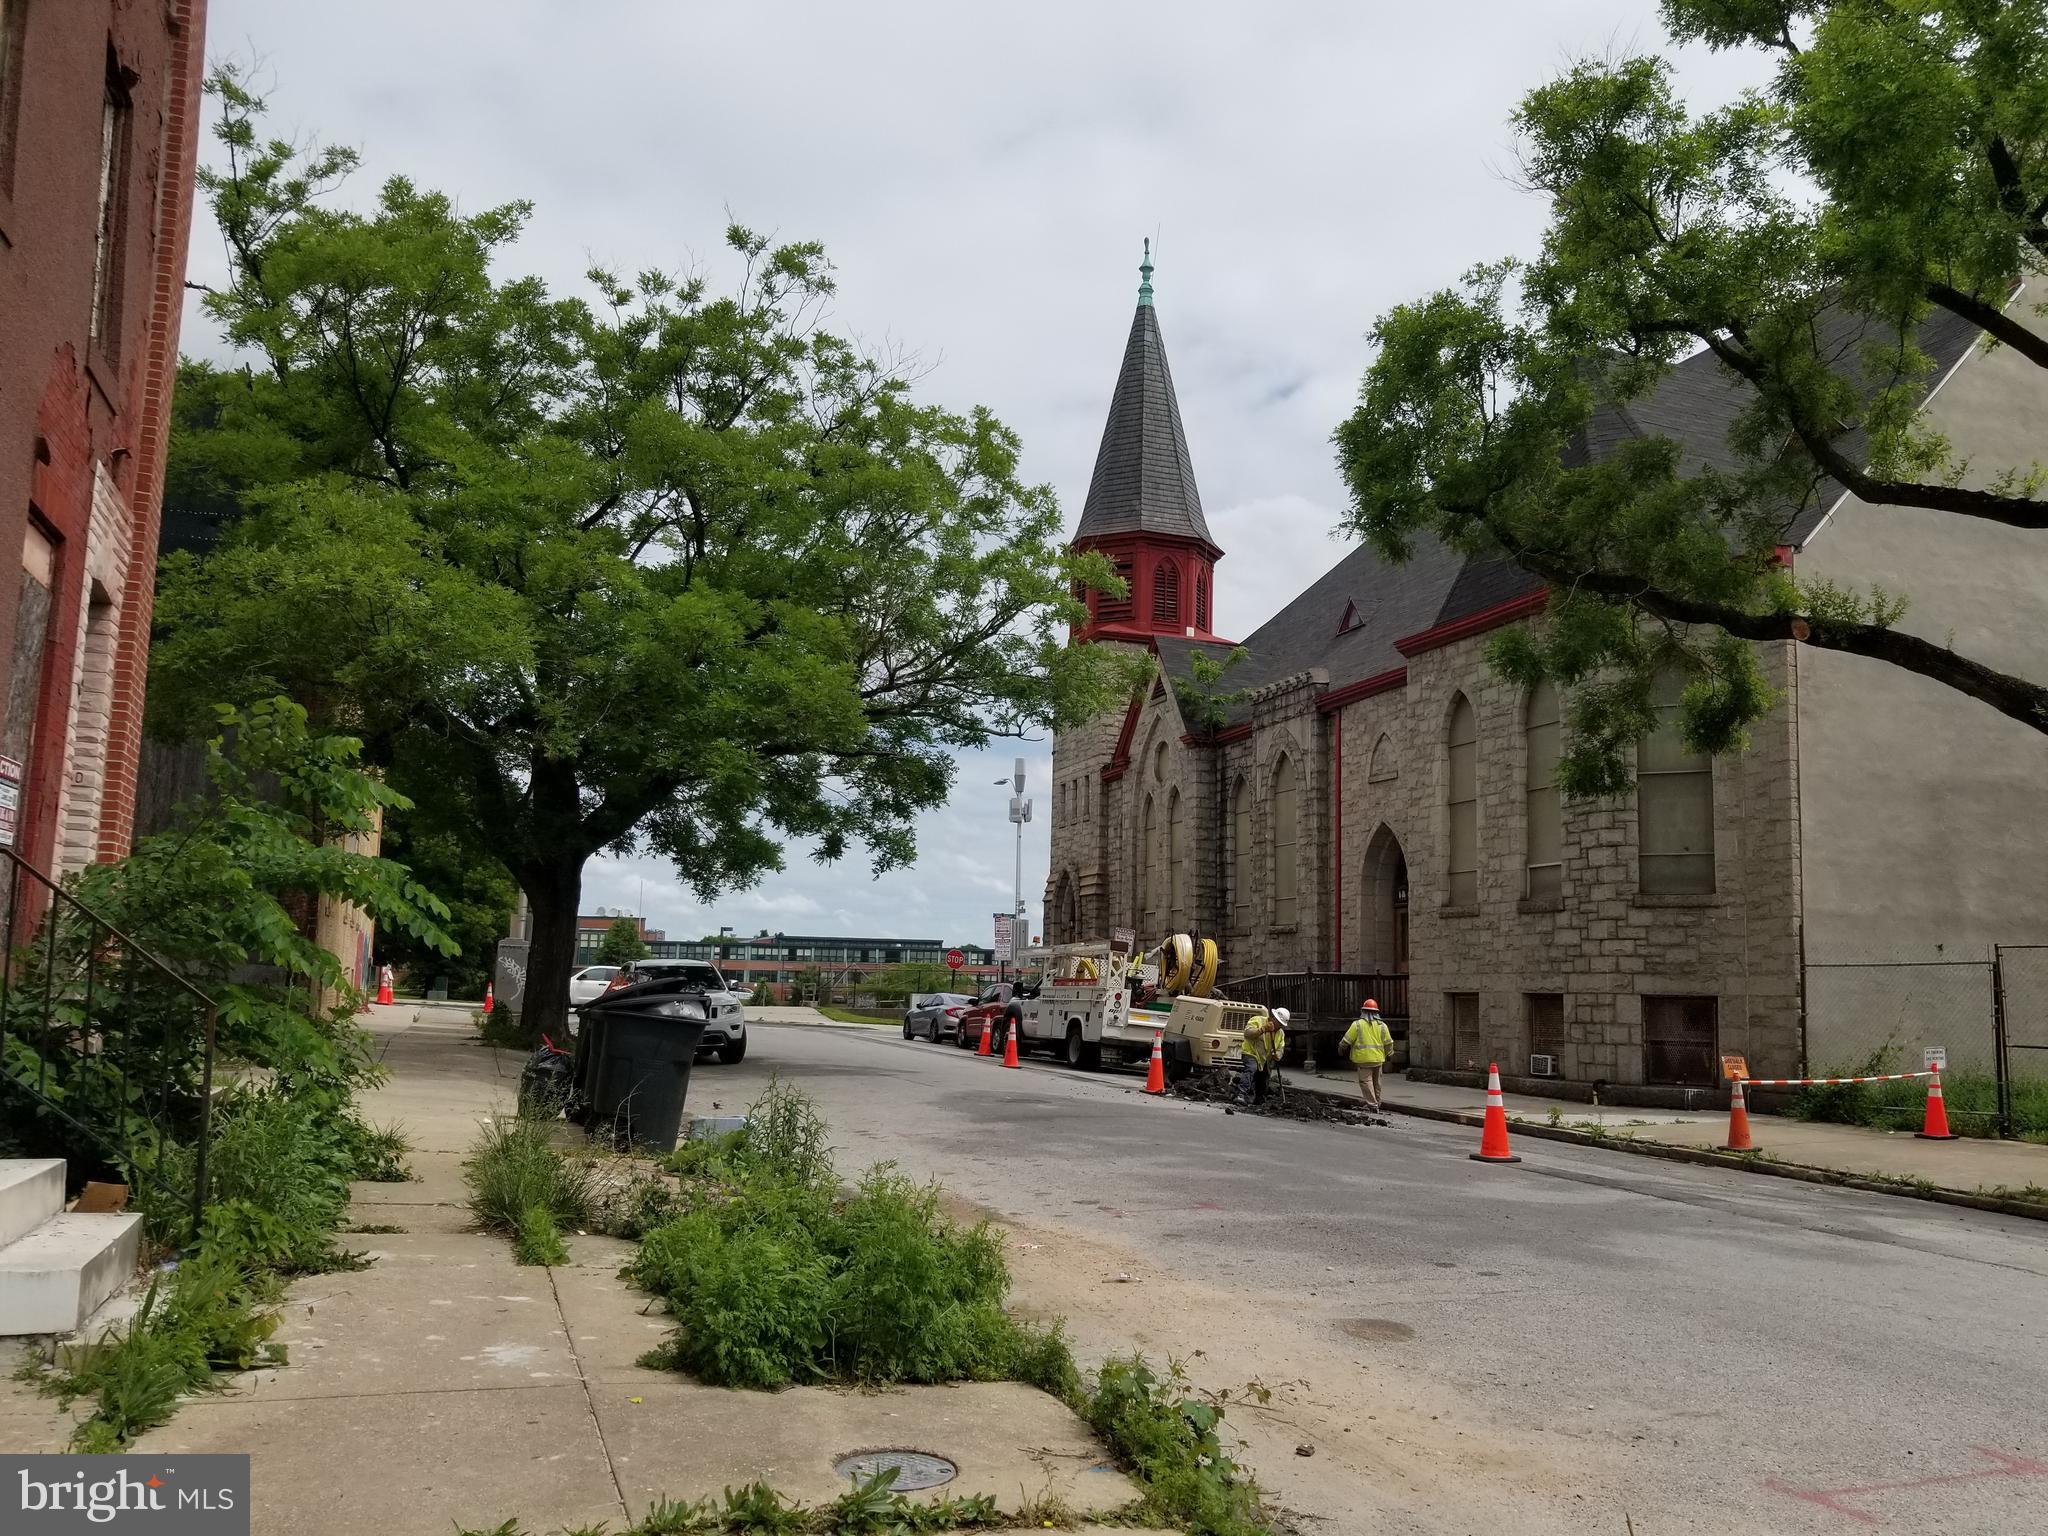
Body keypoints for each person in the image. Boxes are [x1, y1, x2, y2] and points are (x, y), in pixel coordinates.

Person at [1340, 998, 1395, 1111]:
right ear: (1376, 1012)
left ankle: (1372, 1105)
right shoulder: (1383, 1026)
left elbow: (1346, 1040)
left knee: (1366, 1082)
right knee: (1377, 1083)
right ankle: (1377, 1103)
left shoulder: (1357, 1025)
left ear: (1363, 1011)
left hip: (1363, 1059)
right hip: (1379, 1059)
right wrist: (1390, 1053)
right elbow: (1389, 1043)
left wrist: (1341, 1048)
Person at [1239, 1006, 1289, 1105]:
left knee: (1264, 1076)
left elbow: (1280, 1048)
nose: (1279, 1026)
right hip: (1251, 1052)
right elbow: (1247, 1033)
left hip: (1265, 1058)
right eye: (1278, 1023)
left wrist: (1277, 1055)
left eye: (1281, 1025)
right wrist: (1263, 1029)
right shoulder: (1257, 1020)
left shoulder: (1280, 1033)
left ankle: (1259, 1100)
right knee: (1251, 1069)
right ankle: (1241, 1094)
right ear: (1273, 1018)